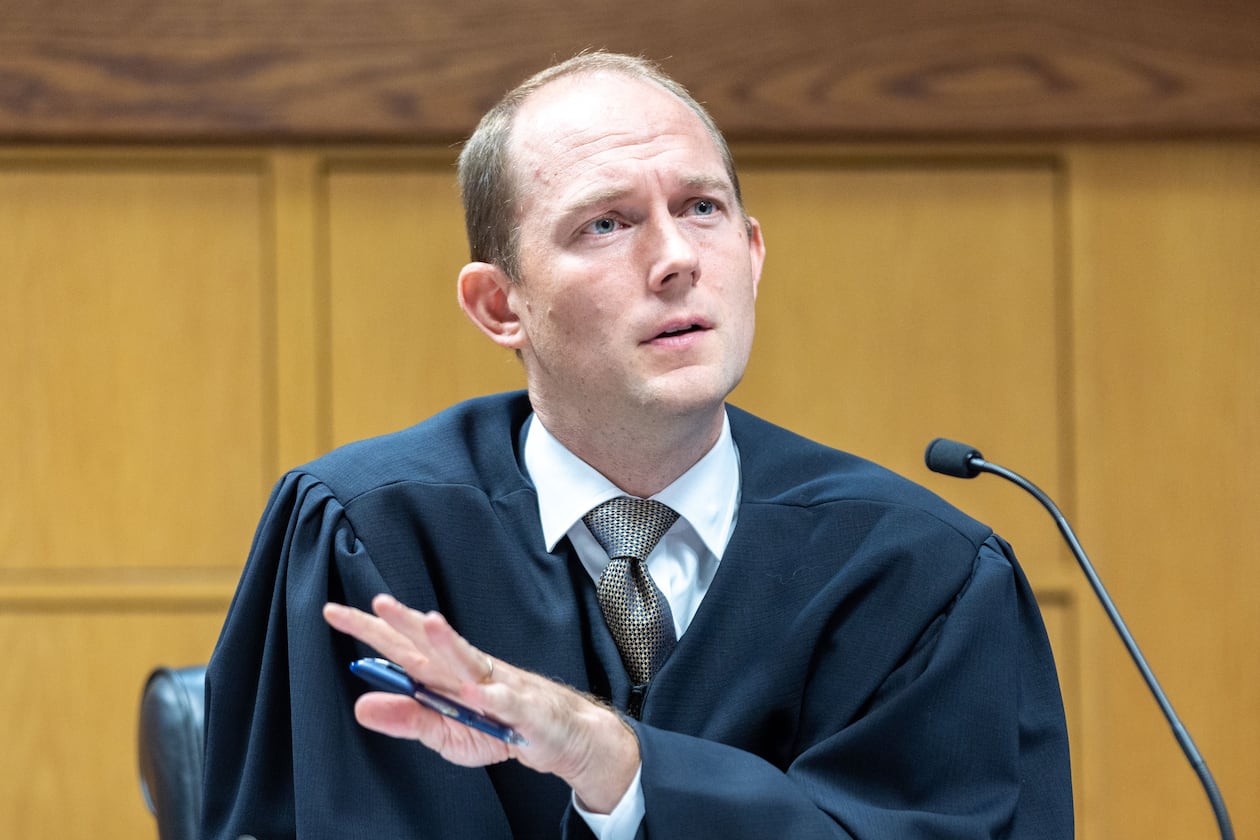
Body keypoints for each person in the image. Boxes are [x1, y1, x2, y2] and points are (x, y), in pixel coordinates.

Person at [201, 51, 1073, 839]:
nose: (675, 259)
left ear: (754, 252)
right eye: (606, 225)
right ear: (501, 306)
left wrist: (618, 763)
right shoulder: (371, 538)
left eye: (702, 209)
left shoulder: (918, 574)